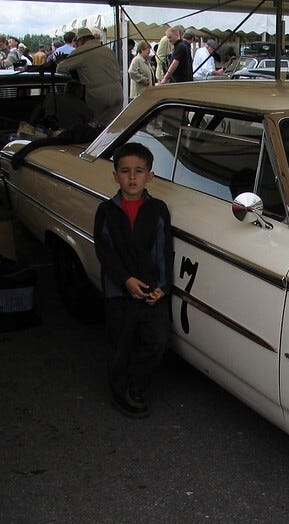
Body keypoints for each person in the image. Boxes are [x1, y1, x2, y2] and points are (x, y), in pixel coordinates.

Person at [93, 142, 172, 418]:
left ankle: (136, 387)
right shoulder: (107, 211)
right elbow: (105, 250)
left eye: (139, 171)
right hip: (119, 292)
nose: (132, 177)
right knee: (120, 345)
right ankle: (119, 392)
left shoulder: (158, 209)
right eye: (125, 171)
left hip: (152, 292)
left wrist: (163, 286)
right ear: (115, 175)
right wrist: (125, 280)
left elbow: (164, 250)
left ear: (150, 175)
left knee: (157, 341)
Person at [56, 27, 123, 127]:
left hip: (98, 96)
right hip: (117, 92)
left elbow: (61, 68)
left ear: (81, 40)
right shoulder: (107, 50)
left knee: (97, 128)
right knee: (113, 128)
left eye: (77, 42)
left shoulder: (82, 51)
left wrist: (60, 61)